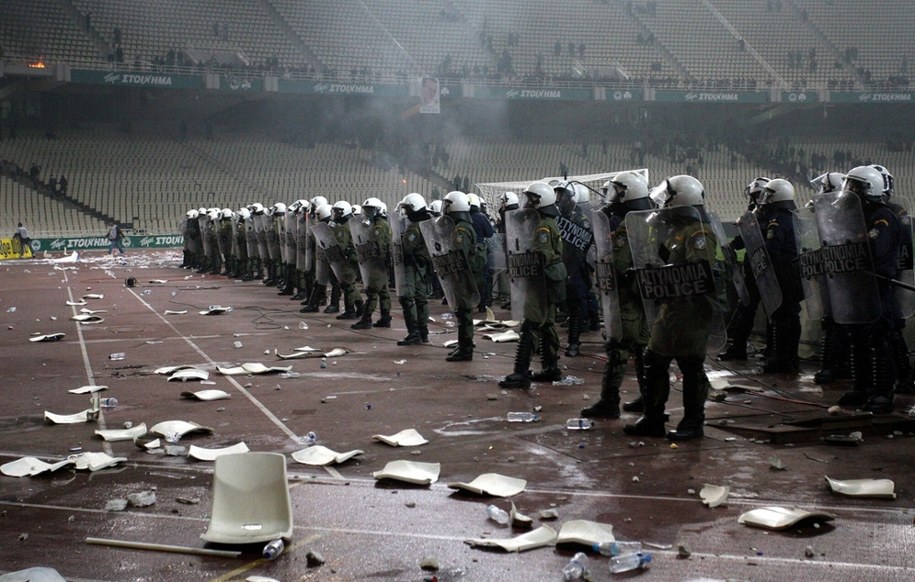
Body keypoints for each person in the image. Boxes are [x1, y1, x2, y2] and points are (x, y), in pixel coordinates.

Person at [623, 175, 719, 441]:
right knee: (654, 361)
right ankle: (653, 419)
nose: (664, 202)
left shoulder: (699, 233)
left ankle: (693, 422)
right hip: (671, 310)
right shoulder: (678, 233)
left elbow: (699, 272)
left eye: (669, 197)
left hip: (692, 311)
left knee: (690, 366)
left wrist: (663, 273)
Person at [832, 166, 903, 413]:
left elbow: (875, 249)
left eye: (855, 187)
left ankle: (883, 392)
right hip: (857, 287)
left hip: (878, 287)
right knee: (858, 339)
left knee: (879, 339)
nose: (849, 191)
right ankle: (861, 387)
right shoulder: (857, 216)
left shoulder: (881, 217)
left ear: (868, 189)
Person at [581, 172, 652, 418]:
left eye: (616, 191)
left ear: (626, 194)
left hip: (628, 297)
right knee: (643, 349)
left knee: (618, 347)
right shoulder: (650, 220)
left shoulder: (627, 228)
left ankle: (609, 401)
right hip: (646, 297)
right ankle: (649, 398)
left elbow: (618, 263)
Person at [499, 181, 565, 388]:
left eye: (530, 198)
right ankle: (551, 367)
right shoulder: (544, 221)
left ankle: (521, 372)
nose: (526, 202)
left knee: (531, 323)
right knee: (546, 324)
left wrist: (526, 262)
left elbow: (542, 255)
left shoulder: (543, 226)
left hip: (541, 281)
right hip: (549, 280)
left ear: (539, 201)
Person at [718, 177, 770, 361]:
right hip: (754, 268)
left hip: (766, 270)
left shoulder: (770, 216)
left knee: (769, 310)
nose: (753, 199)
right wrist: (734, 244)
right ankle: (738, 348)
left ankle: (771, 350)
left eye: (756, 195)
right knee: (747, 308)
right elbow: (745, 240)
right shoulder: (757, 214)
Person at [756, 178, 803, 373]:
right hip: (792, 274)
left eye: (769, 195)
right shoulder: (792, 217)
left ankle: (783, 359)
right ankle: (786, 358)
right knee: (788, 316)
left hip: (783, 275)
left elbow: (773, 249)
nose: (765, 199)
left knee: (784, 317)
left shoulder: (777, 221)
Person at [554, 181, 593, 357]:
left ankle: (574, 342)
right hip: (562, 266)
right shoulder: (556, 216)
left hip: (576, 267)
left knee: (576, 305)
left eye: (562, 195)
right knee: (565, 305)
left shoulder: (579, 218)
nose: (559, 198)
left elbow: (584, 245)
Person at [396, 193, 432, 345]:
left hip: (412, 266)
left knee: (407, 298)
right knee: (421, 299)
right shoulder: (429, 223)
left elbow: (406, 248)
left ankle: (414, 333)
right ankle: (423, 332)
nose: (406, 212)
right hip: (424, 267)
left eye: (407, 209)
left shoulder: (414, 228)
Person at [351, 197, 393, 329]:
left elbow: (378, 244)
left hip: (377, 262)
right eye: (366, 210)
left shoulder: (379, 225)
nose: (368, 213)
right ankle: (385, 318)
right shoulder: (376, 223)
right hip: (381, 263)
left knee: (373, 290)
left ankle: (366, 318)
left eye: (371, 210)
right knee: (384, 291)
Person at [467, 193, 495, 312]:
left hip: (466, 252)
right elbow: (490, 233)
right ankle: (484, 303)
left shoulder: (461, 218)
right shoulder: (480, 217)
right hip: (480, 253)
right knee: (484, 277)